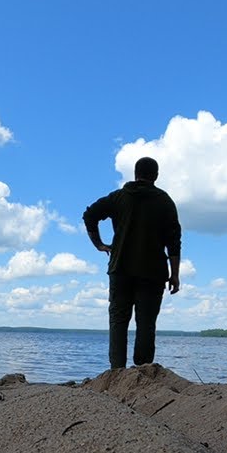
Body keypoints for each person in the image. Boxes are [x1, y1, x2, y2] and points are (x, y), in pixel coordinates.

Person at [83, 156, 182, 369]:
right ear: (156, 176)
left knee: (118, 321)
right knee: (146, 323)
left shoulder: (118, 197)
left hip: (120, 268)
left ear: (135, 174)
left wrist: (99, 244)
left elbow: (90, 215)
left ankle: (117, 371)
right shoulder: (165, 201)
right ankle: (143, 372)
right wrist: (175, 275)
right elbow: (174, 242)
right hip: (153, 272)